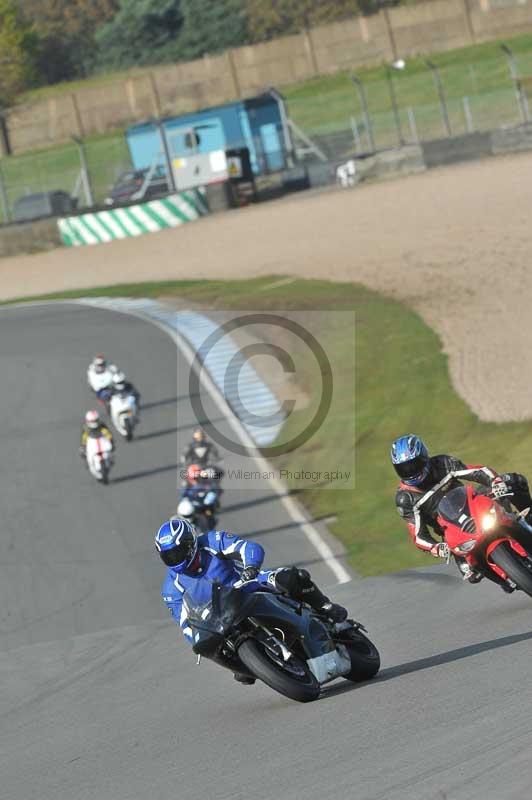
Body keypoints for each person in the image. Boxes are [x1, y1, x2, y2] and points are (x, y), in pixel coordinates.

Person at [156, 517, 348, 684]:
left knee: (292, 577)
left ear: (191, 543)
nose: (175, 559)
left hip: (248, 585)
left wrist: (251, 567)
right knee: (224, 658)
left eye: (178, 552)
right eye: (168, 556)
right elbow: (184, 622)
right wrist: (197, 639)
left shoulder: (211, 541)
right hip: (220, 618)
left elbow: (247, 547)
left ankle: (324, 606)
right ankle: (245, 666)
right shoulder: (170, 588)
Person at [391, 434, 532, 589]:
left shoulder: (442, 464)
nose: (411, 471)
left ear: (424, 456)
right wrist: (434, 547)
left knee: (513, 481)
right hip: (452, 531)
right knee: (471, 573)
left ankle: (529, 518)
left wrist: (496, 482)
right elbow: (418, 535)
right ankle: (506, 577)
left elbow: (477, 471)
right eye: (403, 468)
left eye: (414, 464)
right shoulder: (405, 498)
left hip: (474, 504)